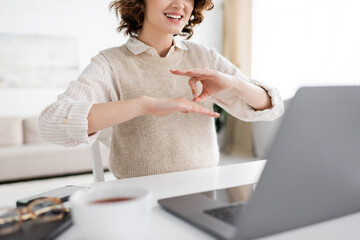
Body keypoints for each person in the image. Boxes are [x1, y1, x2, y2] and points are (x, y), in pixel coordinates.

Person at [39, 0, 284, 179]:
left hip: (203, 188)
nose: (180, 4)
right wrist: (144, 105)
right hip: (140, 197)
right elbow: (51, 123)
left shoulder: (203, 55)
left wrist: (236, 84)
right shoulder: (110, 63)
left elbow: (272, 108)